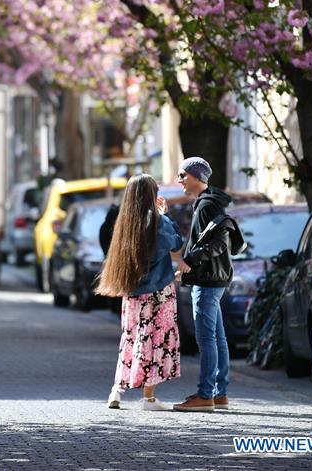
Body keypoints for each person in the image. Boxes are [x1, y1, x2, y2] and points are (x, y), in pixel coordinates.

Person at [96, 174, 184, 411]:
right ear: (150, 195)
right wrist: (165, 215)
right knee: (156, 341)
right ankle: (149, 399)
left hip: (132, 293)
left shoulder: (125, 223)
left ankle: (117, 390)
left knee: (132, 339)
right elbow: (176, 243)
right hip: (158, 292)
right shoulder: (157, 221)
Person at [172, 157, 233, 412]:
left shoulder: (207, 205)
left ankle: (206, 395)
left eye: (183, 175)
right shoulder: (208, 203)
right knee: (218, 339)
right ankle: (220, 393)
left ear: (197, 177)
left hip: (207, 280)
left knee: (207, 339)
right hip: (213, 278)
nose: (179, 180)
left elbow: (218, 242)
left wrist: (190, 261)